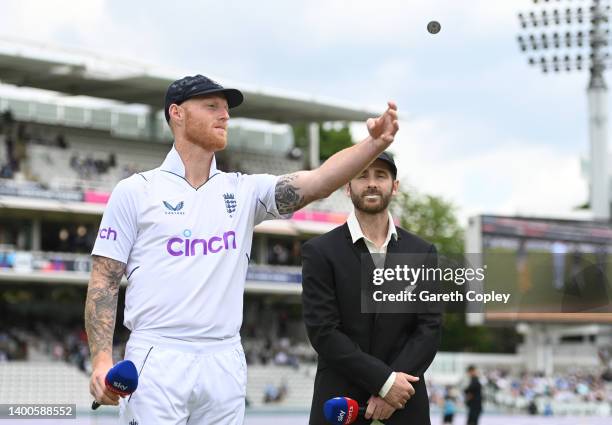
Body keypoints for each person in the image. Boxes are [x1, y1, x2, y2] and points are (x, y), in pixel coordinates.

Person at [84, 74, 399, 425]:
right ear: (177, 113)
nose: (225, 116)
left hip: (225, 358)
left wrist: (372, 144)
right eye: (212, 106)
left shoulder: (244, 190)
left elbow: (318, 182)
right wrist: (101, 361)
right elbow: (104, 282)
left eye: (226, 109)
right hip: (158, 357)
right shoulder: (135, 191)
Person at [301, 152, 442, 424]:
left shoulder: (422, 252)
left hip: (405, 402)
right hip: (339, 404)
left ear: (395, 186)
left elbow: (429, 328)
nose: (371, 183)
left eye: (380, 175)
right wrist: (385, 383)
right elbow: (323, 331)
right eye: (362, 175)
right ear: (347, 185)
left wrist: (393, 389)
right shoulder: (319, 251)